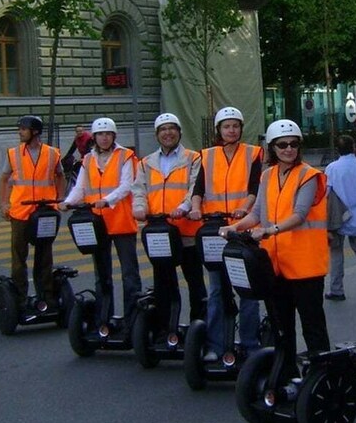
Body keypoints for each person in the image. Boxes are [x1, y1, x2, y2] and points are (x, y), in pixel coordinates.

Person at [223, 119, 330, 377]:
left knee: (312, 326)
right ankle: (286, 373)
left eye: (294, 144)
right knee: (281, 325)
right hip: (276, 265)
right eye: (282, 145)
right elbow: (258, 212)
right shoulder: (268, 175)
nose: (289, 149)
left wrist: (269, 230)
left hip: (306, 267)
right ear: (272, 148)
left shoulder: (309, 175)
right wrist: (235, 227)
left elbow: (300, 214)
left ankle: (323, 376)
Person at [189, 106, 263, 362]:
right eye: (226, 126)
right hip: (215, 230)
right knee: (217, 290)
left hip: (243, 230)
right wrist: (196, 209)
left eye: (235, 125)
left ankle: (250, 344)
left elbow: (255, 187)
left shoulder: (253, 153)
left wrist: (244, 206)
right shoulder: (207, 156)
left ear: (241, 128)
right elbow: (197, 189)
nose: (231, 130)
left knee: (247, 289)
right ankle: (215, 346)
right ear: (219, 130)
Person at [62, 117, 142, 335]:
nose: (104, 137)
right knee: (102, 273)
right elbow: (81, 187)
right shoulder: (88, 159)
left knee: (129, 273)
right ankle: (103, 318)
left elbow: (127, 185)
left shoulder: (126, 156)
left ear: (113, 136)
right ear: (94, 137)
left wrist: (108, 199)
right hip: (96, 222)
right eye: (100, 134)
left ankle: (132, 320)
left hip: (121, 221)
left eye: (108, 134)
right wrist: (68, 202)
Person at [131, 113, 207, 328]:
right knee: (164, 282)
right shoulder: (146, 163)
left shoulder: (193, 158)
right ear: (157, 135)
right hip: (158, 231)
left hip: (186, 231)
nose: (168, 133)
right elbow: (139, 189)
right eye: (163, 130)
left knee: (194, 282)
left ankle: (198, 326)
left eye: (172, 128)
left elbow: (196, 186)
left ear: (179, 132)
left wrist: (185, 207)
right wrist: (139, 208)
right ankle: (166, 328)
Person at [0, 115, 65, 309]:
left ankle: (47, 296)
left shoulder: (52, 153)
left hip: (44, 212)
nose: (20, 132)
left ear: (34, 131)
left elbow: (60, 176)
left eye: (23, 129)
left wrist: (60, 198)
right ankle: (19, 299)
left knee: (44, 256)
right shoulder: (14, 153)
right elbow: (4, 179)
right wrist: (3, 204)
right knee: (19, 256)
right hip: (20, 211)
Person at [324, 134, 356, 301]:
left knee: (336, 253)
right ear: (353, 147)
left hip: (338, 217)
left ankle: (336, 290)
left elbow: (326, 193)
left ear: (337, 150)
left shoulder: (331, 168)